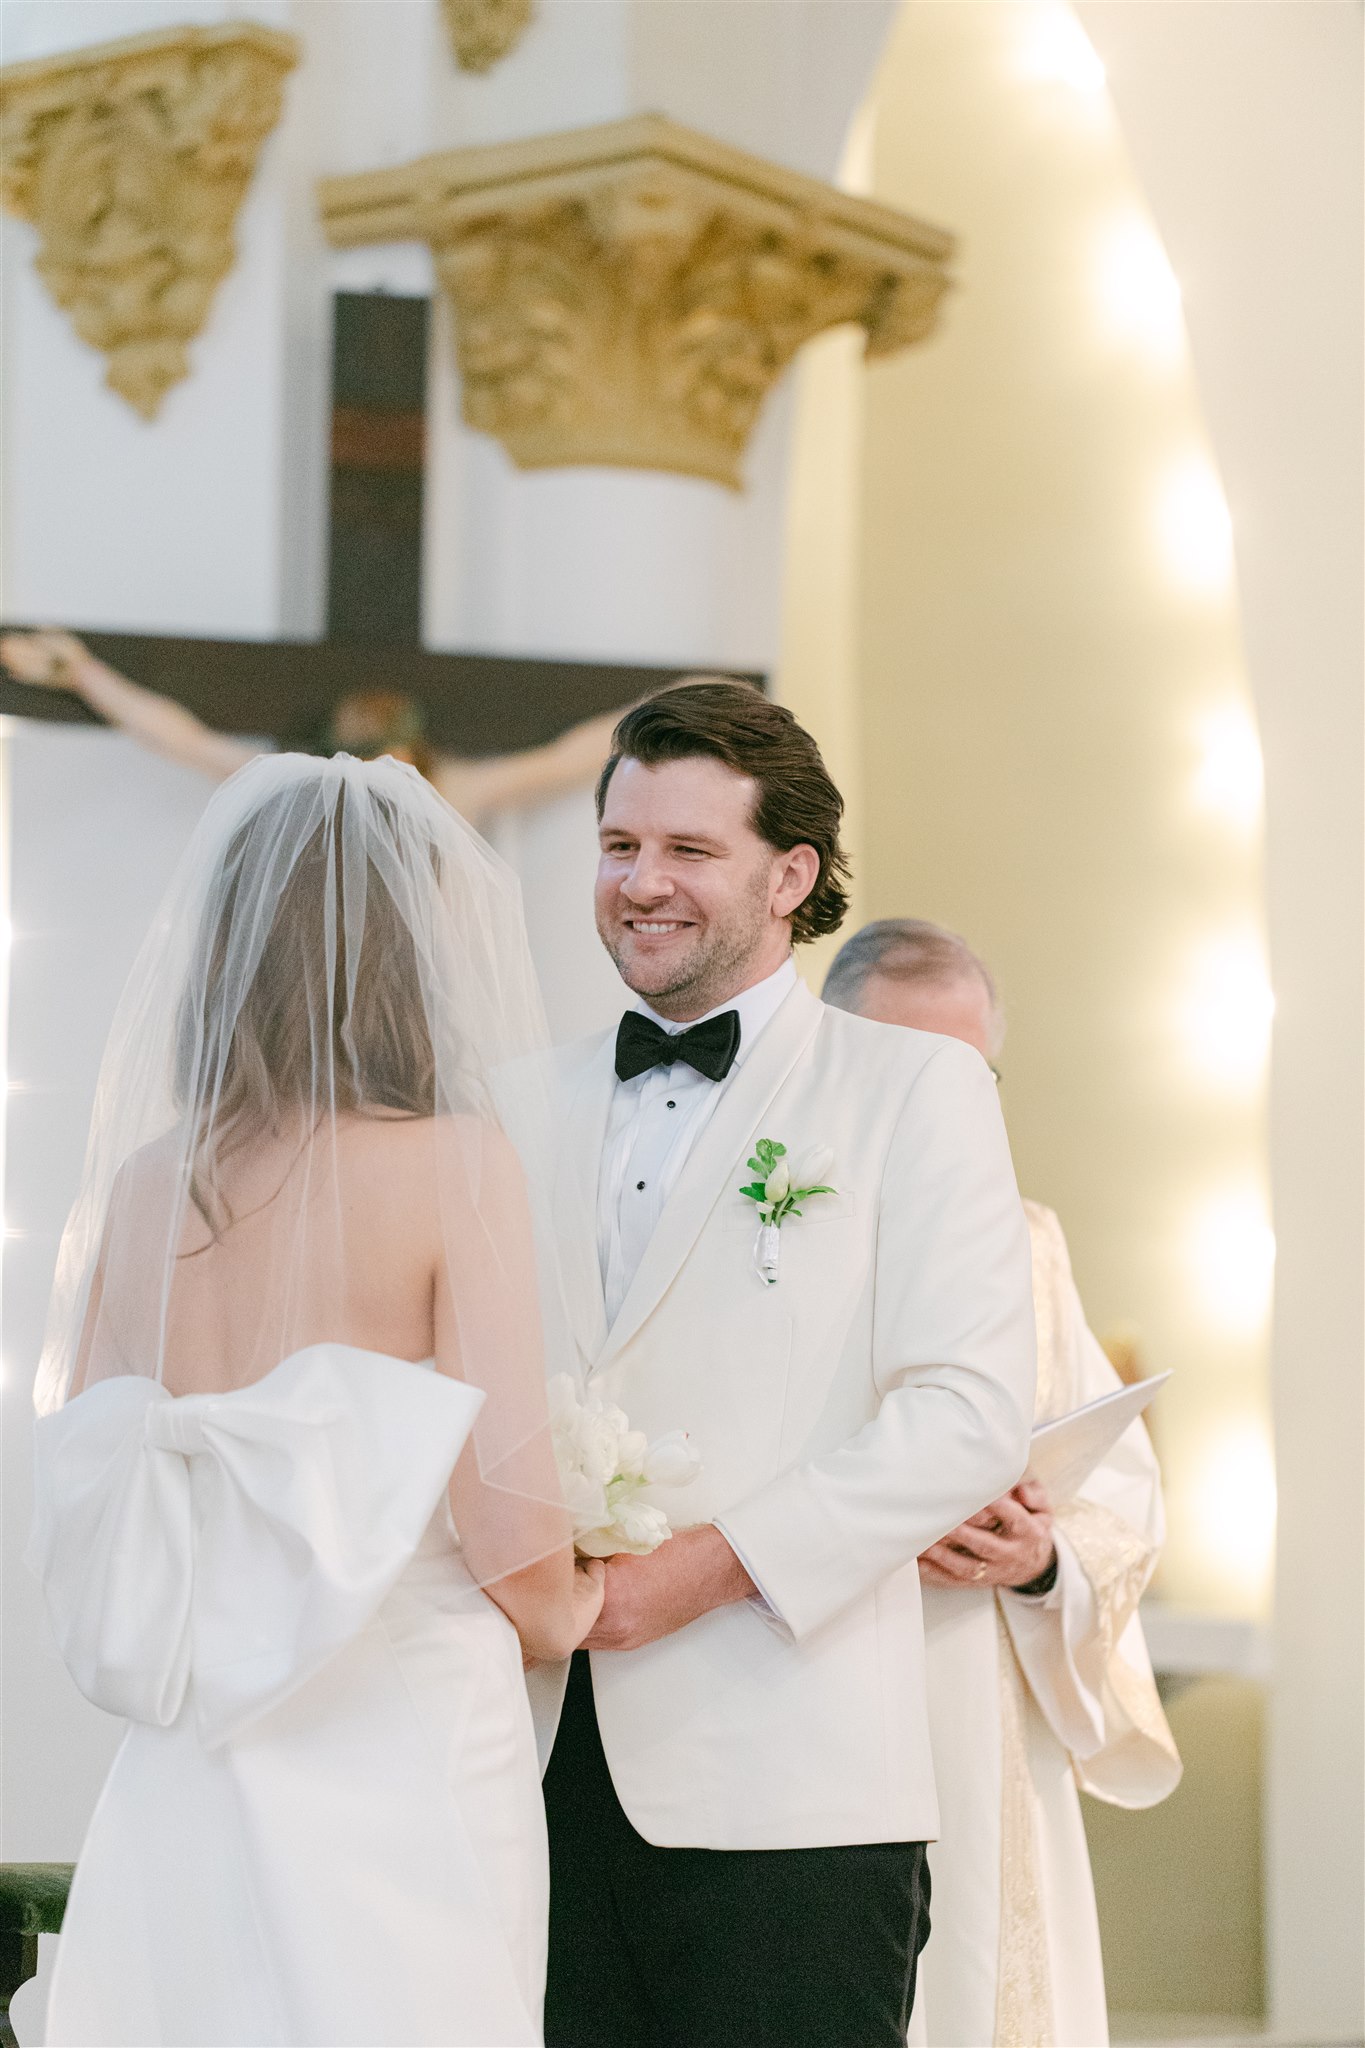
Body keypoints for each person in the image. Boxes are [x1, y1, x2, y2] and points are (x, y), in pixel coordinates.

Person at [27, 752, 606, 2047]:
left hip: (197, 1739)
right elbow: (512, 1525)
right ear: (409, 954)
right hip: (400, 1725)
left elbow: (114, 1469)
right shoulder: (455, 1164)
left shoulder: (145, 1181)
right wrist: (578, 1598)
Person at [534, 682, 1038, 2048]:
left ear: (790, 876)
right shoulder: (523, 1096)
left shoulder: (910, 1093)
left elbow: (966, 1414)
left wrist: (695, 1575)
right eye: (618, 845)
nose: (642, 885)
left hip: (793, 1789)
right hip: (519, 1774)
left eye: (690, 852)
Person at [823, 917, 1181, 2048]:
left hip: (980, 1698)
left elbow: (1120, 1498)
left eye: (972, 1079)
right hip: (810, 1689)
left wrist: (1040, 1559)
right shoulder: (764, 1230)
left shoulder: (1029, 1245)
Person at [0, 627, 621, 827]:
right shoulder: (300, 788)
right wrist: (81, 672)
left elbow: (566, 758)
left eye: (397, 757)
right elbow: (179, 738)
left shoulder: (449, 793)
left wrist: (686, 699)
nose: (387, 773)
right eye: (372, 757)